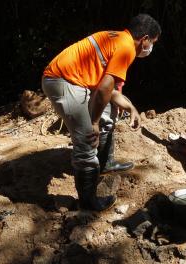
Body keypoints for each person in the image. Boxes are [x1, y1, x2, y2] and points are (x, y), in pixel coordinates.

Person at [42, 14, 161, 211]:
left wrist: (130, 107)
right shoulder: (126, 48)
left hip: (73, 79)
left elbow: (109, 90)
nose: (150, 48)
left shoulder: (117, 38)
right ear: (145, 38)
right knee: (87, 136)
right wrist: (94, 122)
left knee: (107, 111)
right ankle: (88, 203)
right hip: (62, 81)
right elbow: (105, 88)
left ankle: (105, 163)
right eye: (152, 43)